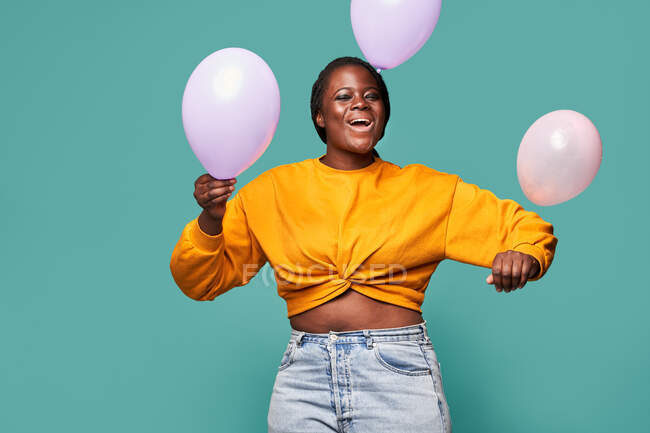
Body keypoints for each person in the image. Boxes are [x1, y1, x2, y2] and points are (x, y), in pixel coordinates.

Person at [169, 56, 558, 433]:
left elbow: (527, 228)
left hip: (398, 374)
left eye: (371, 96)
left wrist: (523, 255)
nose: (360, 102)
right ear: (320, 117)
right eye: (343, 96)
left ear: (383, 113)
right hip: (303, 381)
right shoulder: (271, 192)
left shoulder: (428, 191)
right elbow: (200, 280)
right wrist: (212, 219)